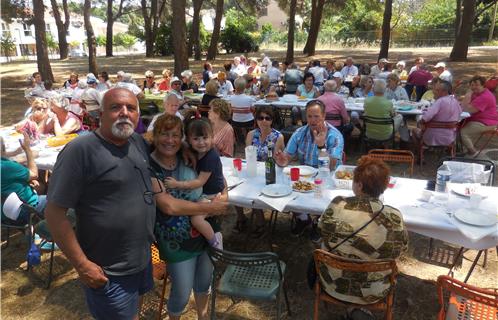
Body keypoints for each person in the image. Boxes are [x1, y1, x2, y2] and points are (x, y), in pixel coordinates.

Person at [46, 88, 226, 320]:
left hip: (141, 260)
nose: (124, 113)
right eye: (115, 107)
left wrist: (185, 148)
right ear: (100, 113)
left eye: (131, 108)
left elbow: (165, 140)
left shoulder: (136, 143)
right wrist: (81, 265)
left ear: (138, 115)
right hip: (108, 268)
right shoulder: (81, 151)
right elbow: (54, 213)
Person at [149, 114, 227, 320]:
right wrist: (207, 207)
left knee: (204, 283)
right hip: (176, 240)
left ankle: (203, 317)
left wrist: (223, 198)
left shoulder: (190, 154)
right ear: (155, 136)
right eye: (164, 134)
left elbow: (218, 177)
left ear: (182, 137)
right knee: (182, 292)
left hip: (207, 229)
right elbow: (168, 206)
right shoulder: (149, 166)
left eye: (175, 135)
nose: (170, 140)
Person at [317, 156, 408, 305]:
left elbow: (321, 230)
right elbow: (402, 249)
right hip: (374, 291)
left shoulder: (337, 204)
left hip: (333, 285)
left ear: (359, 185)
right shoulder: (394, 217)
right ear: (384, 186)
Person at [274, 100, 344, 242]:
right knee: (285, 188)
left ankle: (319, 223)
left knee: (324, 199)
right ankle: (304, 219)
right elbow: (287, 156)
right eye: (309, 116)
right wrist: (282, 160)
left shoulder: (335, 136)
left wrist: (321, 146)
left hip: (327, 178)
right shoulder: (300, 133)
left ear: (324, 115)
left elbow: (331, 166)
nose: (312, 120)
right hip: (304, 177)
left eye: (316, 116)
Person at [162, 110, 226, 249]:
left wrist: (177, 184)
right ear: (189, 140)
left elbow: (200, 182)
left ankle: (215, 241)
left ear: (212, 137)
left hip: (211, 194)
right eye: (196, 139)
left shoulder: (211, 156)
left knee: (196, 219)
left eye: (205, 138)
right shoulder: (195, 152)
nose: (201, 142)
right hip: (205, 192)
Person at [234, 106, 285, 237]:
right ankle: (241, 218)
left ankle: (261, 223)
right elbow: (248, 153)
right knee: (234, 189)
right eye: (260, 118)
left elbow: (275, 160)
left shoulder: (278, 137)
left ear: (272, 120)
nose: (263, 121)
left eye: (267, 118)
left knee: (253, 192)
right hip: (253, 169)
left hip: (268, 171)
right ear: (256, 120)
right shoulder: (251, 134)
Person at [1, 132, 46, 224]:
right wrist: (27, 149)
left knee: (40, 186)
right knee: (60, 199)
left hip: (3, 215)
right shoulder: (7, 167)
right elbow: (34, 174)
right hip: (24, 211)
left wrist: (26, 180)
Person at [411, 80, 462, 148]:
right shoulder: (455, 101)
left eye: (437, 90)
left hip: (432, 137)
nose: (434, 92)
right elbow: (460, 114)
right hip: (449, 138)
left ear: (444, 92)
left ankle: (420, 152)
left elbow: (425, 118)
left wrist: (421, 122)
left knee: (414, 130)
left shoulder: (440, 101)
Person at [460, 75, 498, 156]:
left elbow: (466, 109)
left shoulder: (484, 97)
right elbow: (464, 106)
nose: (474, 87)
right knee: (458, 126)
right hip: (479, 120)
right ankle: (460, 149)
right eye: (472, 85)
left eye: (477, 85)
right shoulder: (478, 93)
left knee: (463, 132)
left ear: (483, 85)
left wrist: (468, 93)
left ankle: (473, 153)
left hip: (488, 123)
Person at [229, 78, 255, 142]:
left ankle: (242, 136)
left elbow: (231, 111)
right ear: (244, 86)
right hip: (248, 122)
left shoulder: (231, 98)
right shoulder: (249, 98)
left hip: (236, 122)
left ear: (235, 86)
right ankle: (250, 138)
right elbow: (253, 109)